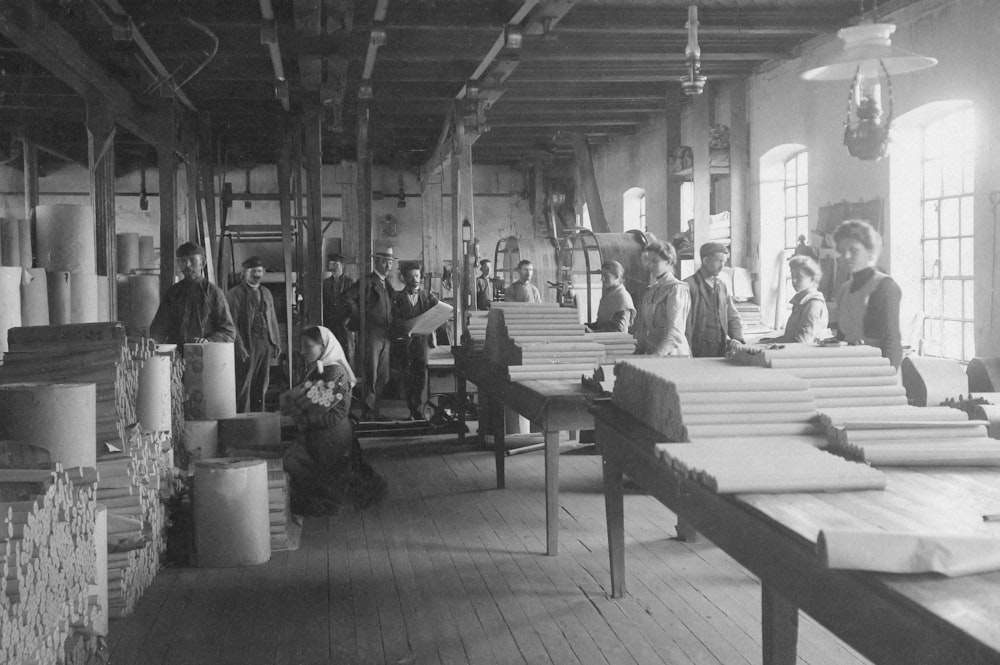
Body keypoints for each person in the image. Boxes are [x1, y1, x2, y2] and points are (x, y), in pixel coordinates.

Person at [281, 326, 385, 514]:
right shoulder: (319, 369)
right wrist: (297, 400)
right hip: (318, 430)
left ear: (324, 346)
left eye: (307, 346)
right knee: (291, 461)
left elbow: (314, 405)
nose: (302, 352)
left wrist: (297, 400)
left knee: (293, 462)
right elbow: (294, 401)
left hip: (332, 434)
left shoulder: (336, 373)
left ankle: (327, 501)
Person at [833, 220, 902, 368]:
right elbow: (842, 336)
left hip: (878, 371)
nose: (846, 256)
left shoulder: (884, 286)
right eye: (842, 251)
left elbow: (892, 342)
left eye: (854, 250)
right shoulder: (844, 290)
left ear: (869, 251)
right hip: (849, 368)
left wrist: (887, 379)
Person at [149, 242, 236, 347]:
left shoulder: (214, 293)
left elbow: (228, 331)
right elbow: (160, 326)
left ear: (202, 263)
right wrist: (153, 341)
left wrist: (209, 341)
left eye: (192, 260)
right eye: (183, 261)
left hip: (203, 354)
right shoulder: (173, 293)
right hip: (176, 355)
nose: (187, 265)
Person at [226, 256, 281, 413]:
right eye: (253, 271)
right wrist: (239, 346)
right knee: (244, 384)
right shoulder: (235, 294)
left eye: (259, 271)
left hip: (264, 344)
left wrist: (275, 342)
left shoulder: (266, 293)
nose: (257, 274)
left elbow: (272, 319)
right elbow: (232, 324)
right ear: (244, 273)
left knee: (261, 382)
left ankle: (258, 417)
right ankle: (242, 418)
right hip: (247, 345)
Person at [349, 247, 396, 420]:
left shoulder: (386, 284)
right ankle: (368, 412)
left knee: (383, 375)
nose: (388, 265)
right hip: (371, 334)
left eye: (390, 262)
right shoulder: (367, 282)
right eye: (385, 261)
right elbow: (348, 298)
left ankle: (375, 409)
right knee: (371, 372)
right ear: (376, 262)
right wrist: (359, 321)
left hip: (385, 335)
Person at [392, 262, 440, 420]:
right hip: (404, 342)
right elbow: (394, 319)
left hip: (422, 342)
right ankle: (412, 409)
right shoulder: (397, 297)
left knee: (421, 374)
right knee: (406, 375)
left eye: (417, 275)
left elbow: (441, 310)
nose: (415, 279)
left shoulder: (427, 296)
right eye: (411, 276)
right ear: (404, 278)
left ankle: (419, 409)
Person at [685, 242, 744, 357]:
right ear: (705, 260)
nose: (722, 266)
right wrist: (686, 350)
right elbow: (683, 325)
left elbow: (732, 316)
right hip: (695, 348)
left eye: (724, 262)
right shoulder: (688, 285)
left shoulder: (722, 286)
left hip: (719, 348)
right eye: (719, 261)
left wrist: (737, 338)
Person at [633, 241, 691, 356]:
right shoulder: (652, 290)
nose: (649, 265)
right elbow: (645, 330)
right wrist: (637, 354)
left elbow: (674, 332)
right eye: (648, 261)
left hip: (672, 353)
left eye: (654, 261)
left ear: (669, 262)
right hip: (653, 351)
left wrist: (657, 356)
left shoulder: (676, 289)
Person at [762, 255, 829, 345]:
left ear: (812, 279)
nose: (794, 280)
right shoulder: (802, 300)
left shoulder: (813, 304)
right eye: (793, 276)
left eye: (799, 276)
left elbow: (802, 343)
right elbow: (789, 338)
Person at [322, 252, 356, 368]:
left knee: (347, 351)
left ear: (342, 265)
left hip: (345, 324)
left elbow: (354, 305)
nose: (333, 267)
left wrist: (349, 320)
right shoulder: (325, 284)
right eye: (331, 264)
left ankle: (348, 380)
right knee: (331, 351)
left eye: (335, 264)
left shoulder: (350, 282)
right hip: (330, 323)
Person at [589, 260, 636, 334]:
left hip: (616, 344)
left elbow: (619, 331)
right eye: (602, 275)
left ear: (616, 276)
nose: (602, 279)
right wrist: (587, 326)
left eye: (606, 276)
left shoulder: (623, 298)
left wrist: (592, 332)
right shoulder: (610, 295)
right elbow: (602, 324)